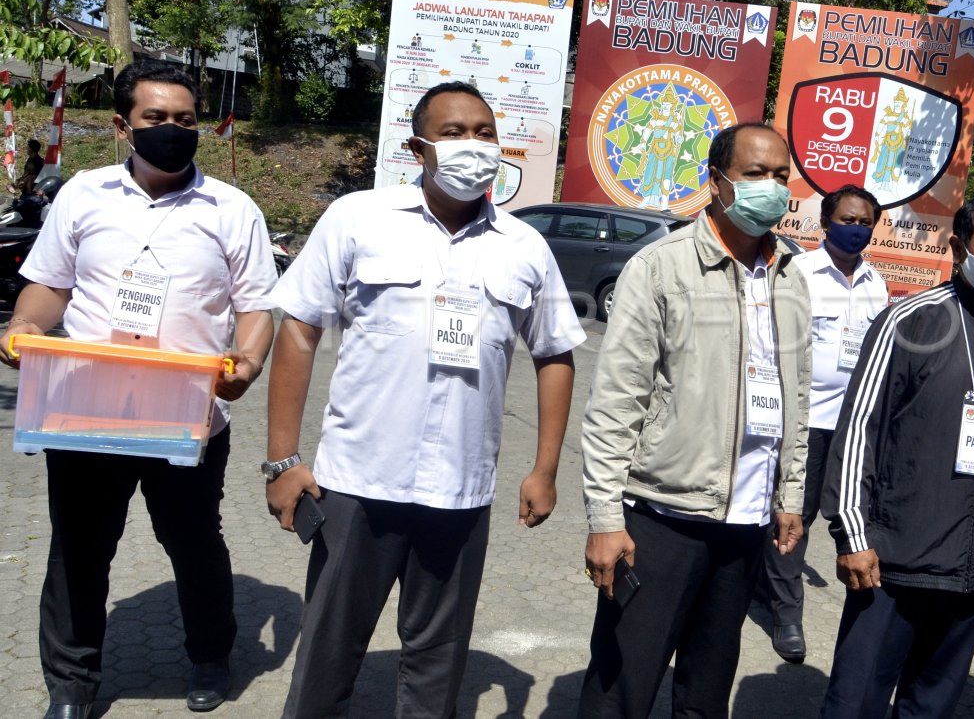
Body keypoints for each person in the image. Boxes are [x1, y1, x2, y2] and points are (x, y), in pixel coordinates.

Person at [265, 81, 585, 718]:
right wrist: (281, 461)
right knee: (329, 650)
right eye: (454, 133)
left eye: (485, 133)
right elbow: (299, 329)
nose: (473, 145)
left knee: (436, 660)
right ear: (418, 147)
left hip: (460, 493)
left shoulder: (524, 247)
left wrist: (545, 469)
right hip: (356, 484)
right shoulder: (359, 218)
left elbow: (555, 354)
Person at [0, 61, 277, 719]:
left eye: (185, 120)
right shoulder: (84, 196)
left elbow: (258, 304)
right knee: (79, 549)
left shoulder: (231, 210)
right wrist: (24, 322)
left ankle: (210, 654)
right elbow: (50, 284)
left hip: (186, 417)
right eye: (157, 119)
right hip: (87, 411)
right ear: (125, 125)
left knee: (194, 542)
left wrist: (249, 359)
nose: (173, 131)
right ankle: (71, 683)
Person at [579, 122, 811, 717]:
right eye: (756, 174)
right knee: (622, 685)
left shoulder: (790, 275)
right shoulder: (662, 268)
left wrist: (788, 493)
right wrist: (606, 516)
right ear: (717, 182)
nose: (772, 187)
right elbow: (615, 402)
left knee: (707, 691)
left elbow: (796, 397)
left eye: (781, 175)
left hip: (745, 523)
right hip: (664, 516)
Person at [820, 193, 974, 719]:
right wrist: (853, 535)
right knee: (855, 704)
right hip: (892, 562)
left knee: (930, 708)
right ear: (958, 246)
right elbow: (860, 428)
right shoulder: (910, 321)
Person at [761, 185, 888, 664]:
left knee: (851, 514)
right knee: (795, 514)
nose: (856, 229)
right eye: (848, 220)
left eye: (865, 223)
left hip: (855, 425)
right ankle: (786, 613)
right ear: (824, 223)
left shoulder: (877, 283)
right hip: (806, 421)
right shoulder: (799, 275)